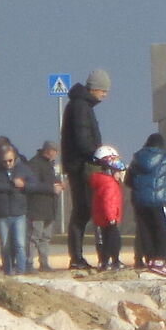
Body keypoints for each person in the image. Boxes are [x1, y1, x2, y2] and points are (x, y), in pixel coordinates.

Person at [60, 69, 109, 269]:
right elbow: (82, 140)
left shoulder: (81, 105)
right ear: (95, 89)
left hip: (80, 165)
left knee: (84, 211)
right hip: (81, 167)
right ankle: (77, 257)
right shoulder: (80, 107)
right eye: (104, 91)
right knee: (83, 211)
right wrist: (99, 155)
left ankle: (80, 256)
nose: (105, 95)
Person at [126, 131, 166, 277]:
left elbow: (128, 180)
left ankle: (149, 259)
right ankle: (161, 260)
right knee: (162, 229)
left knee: (145, 230)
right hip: (158, 200)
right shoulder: (165, 158)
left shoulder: (136, 159)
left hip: (140, 201)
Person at [0, 137, 31, 275]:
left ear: (14, 158)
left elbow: (34, 184)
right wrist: (12, 185)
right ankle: (8, 271)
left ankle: (21, 271)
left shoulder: (23, 169)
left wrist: (24, 185)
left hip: (19, 213)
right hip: (2, 214)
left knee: (20, 244)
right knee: (5, 246)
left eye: (10, 160)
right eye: (5, 161)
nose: (8, 163)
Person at [24, 140, 62, 271]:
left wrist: (59, 184)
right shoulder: (34, 164)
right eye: (56, 151)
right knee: (34, 238)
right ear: (49, 150)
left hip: (49, 208)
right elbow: (30, 185)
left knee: (45, 238)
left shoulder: (50, 164)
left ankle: (44, 263)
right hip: (37, 208)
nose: (57, 154)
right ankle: (28, 264)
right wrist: (51, 188)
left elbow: (50, 181)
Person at [87, 144, 125, 271]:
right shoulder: (108, 183)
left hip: (107, 217)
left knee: (111, 240)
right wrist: (111, 218)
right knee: (112, 241)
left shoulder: (107, 181)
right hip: (108, 218)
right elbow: (107, 202)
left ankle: (112, 261)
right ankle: (109, 262)